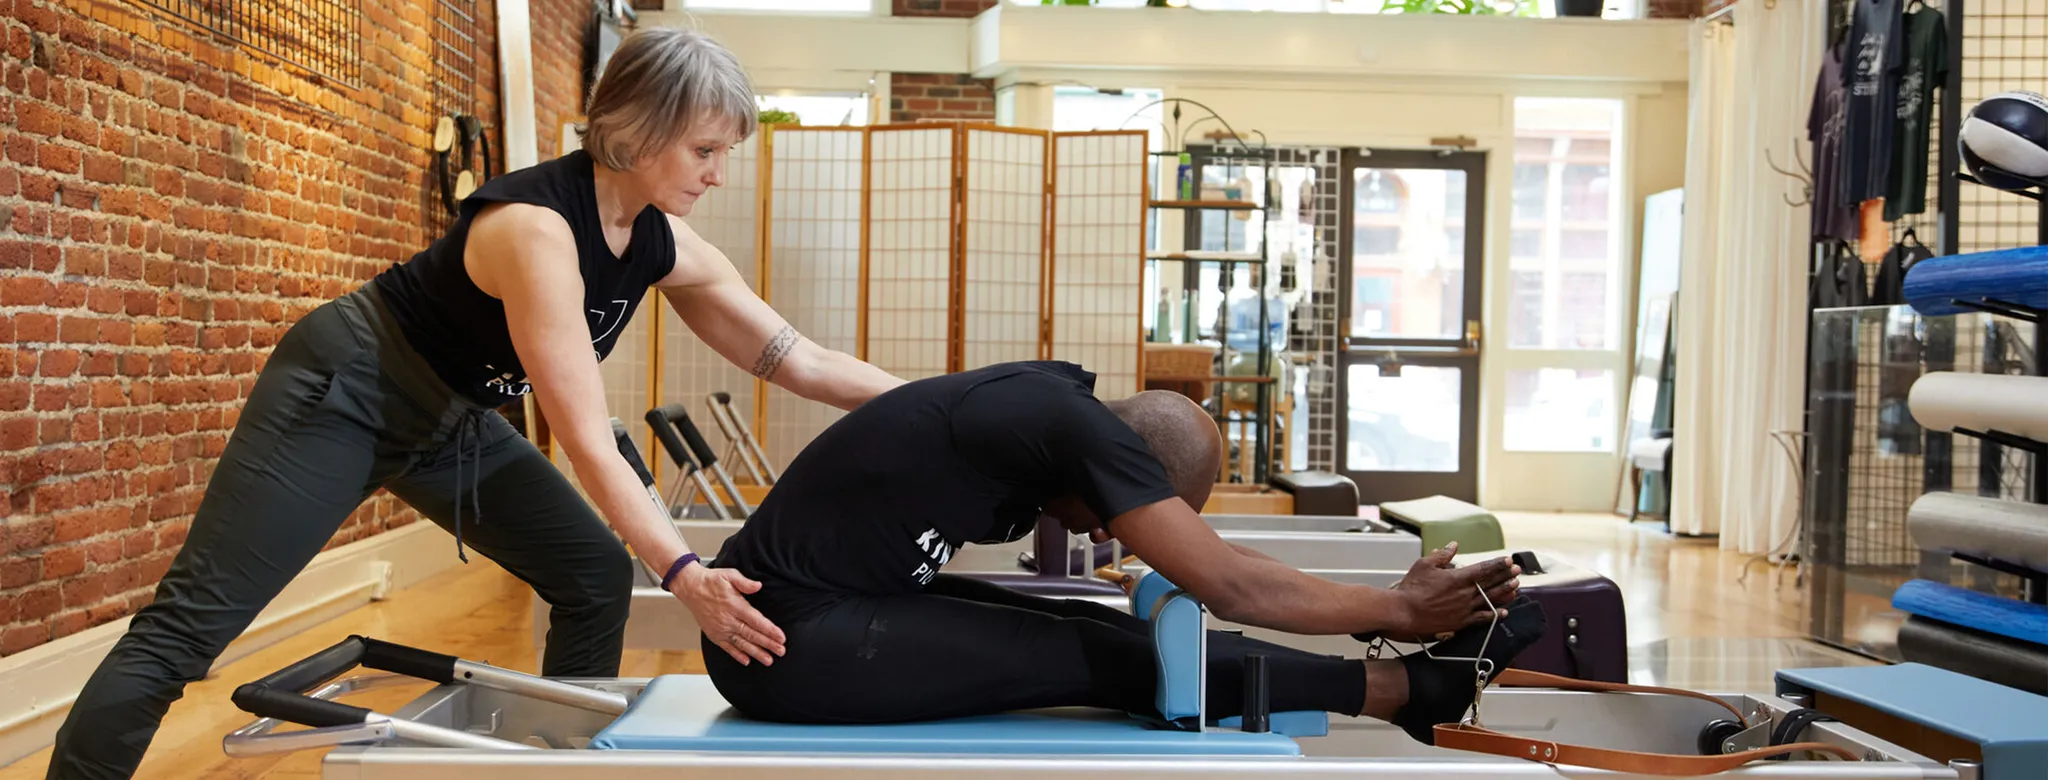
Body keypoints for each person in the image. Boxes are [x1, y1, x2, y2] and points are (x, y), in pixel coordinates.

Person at [45, 28, 896, 779]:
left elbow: (800, 360)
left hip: (451, 420)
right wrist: (683, 575)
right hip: (349, 387)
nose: (717, 174)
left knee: (592, 576)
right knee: (190, 629)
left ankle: (556, 768)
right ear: (641, 132)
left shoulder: (661, 242)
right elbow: (585, 437)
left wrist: (956, 403)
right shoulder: (536, 229)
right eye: (705, 151)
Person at [702, 360, 1543, 741]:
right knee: (1087, 650)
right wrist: (1398, 608)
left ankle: (1398, 686)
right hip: (777, 640)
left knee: (1086, 625)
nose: (1107, 535)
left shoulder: (1054, 411)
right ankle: (1401, 691)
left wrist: (1382, 610)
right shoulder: (1067, 428)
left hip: (833, 609)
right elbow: (1229, 582)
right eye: (1120, 520)